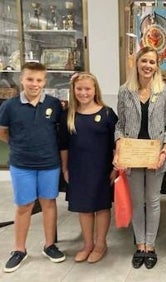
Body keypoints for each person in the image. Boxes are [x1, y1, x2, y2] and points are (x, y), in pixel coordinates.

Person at [113, 46, 166, 270]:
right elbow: (119, 126)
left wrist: (164, 152)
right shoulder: (124, 91)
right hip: (132, 156)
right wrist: (119, 146)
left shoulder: (165, 91)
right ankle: (140, 245)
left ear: (157, 65)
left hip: (155, 156)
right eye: (144, 61)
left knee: (154, 200)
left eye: (152, 62)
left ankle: (151, 245)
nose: (148, 65)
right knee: (138, 202)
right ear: (137, 64)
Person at [0, 62, 65, 273]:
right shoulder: (9, 106)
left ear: (45, 81)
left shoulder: (54, 104)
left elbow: (59, 133)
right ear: (22, 79)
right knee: (24, 206)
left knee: (49, 203)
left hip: (49, 164)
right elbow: (3, 133)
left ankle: (49, 245)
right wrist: (20, 147)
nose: (34, 84)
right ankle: (19, 249)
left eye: (39, 80)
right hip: (22, 165)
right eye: (30, 79)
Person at [59, 72, 118, 263]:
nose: (83, 93)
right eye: (79, 89)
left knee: (101, 207)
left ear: (95, 90)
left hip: (102, 170)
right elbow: (64, 145)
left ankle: (100, 244)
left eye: (87, 89)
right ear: (73, 90)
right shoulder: (68, 115)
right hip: (78, 170)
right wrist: (65, 169)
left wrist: (115, 168)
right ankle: (88, 244)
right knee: (84, 209)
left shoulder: (107, 114)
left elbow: (118, 144)